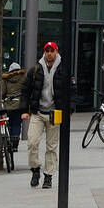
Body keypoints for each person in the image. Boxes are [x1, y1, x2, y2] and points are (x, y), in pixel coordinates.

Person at [20, 42, 72, 189]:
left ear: (57, 52)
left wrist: (70, 110)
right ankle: (35, 169)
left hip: (54, 114)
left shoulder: (63, 70)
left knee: (51, 147)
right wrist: (24, 110)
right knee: (32, 142)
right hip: (37, 112)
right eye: (47, 51)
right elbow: (25, 90)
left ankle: (48, 176)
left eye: (52, 51)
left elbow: (71, 91)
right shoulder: (36, 69)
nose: (49, 54)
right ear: (44, 52)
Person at [0, 62, 27, 152]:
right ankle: (15, 145)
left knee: (9, 124)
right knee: (17, 124)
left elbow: (3, 92)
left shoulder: (6, 79)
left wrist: (3, 98)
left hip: (9, 105)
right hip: (19, 105)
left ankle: (9, 142)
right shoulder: (24, 77)